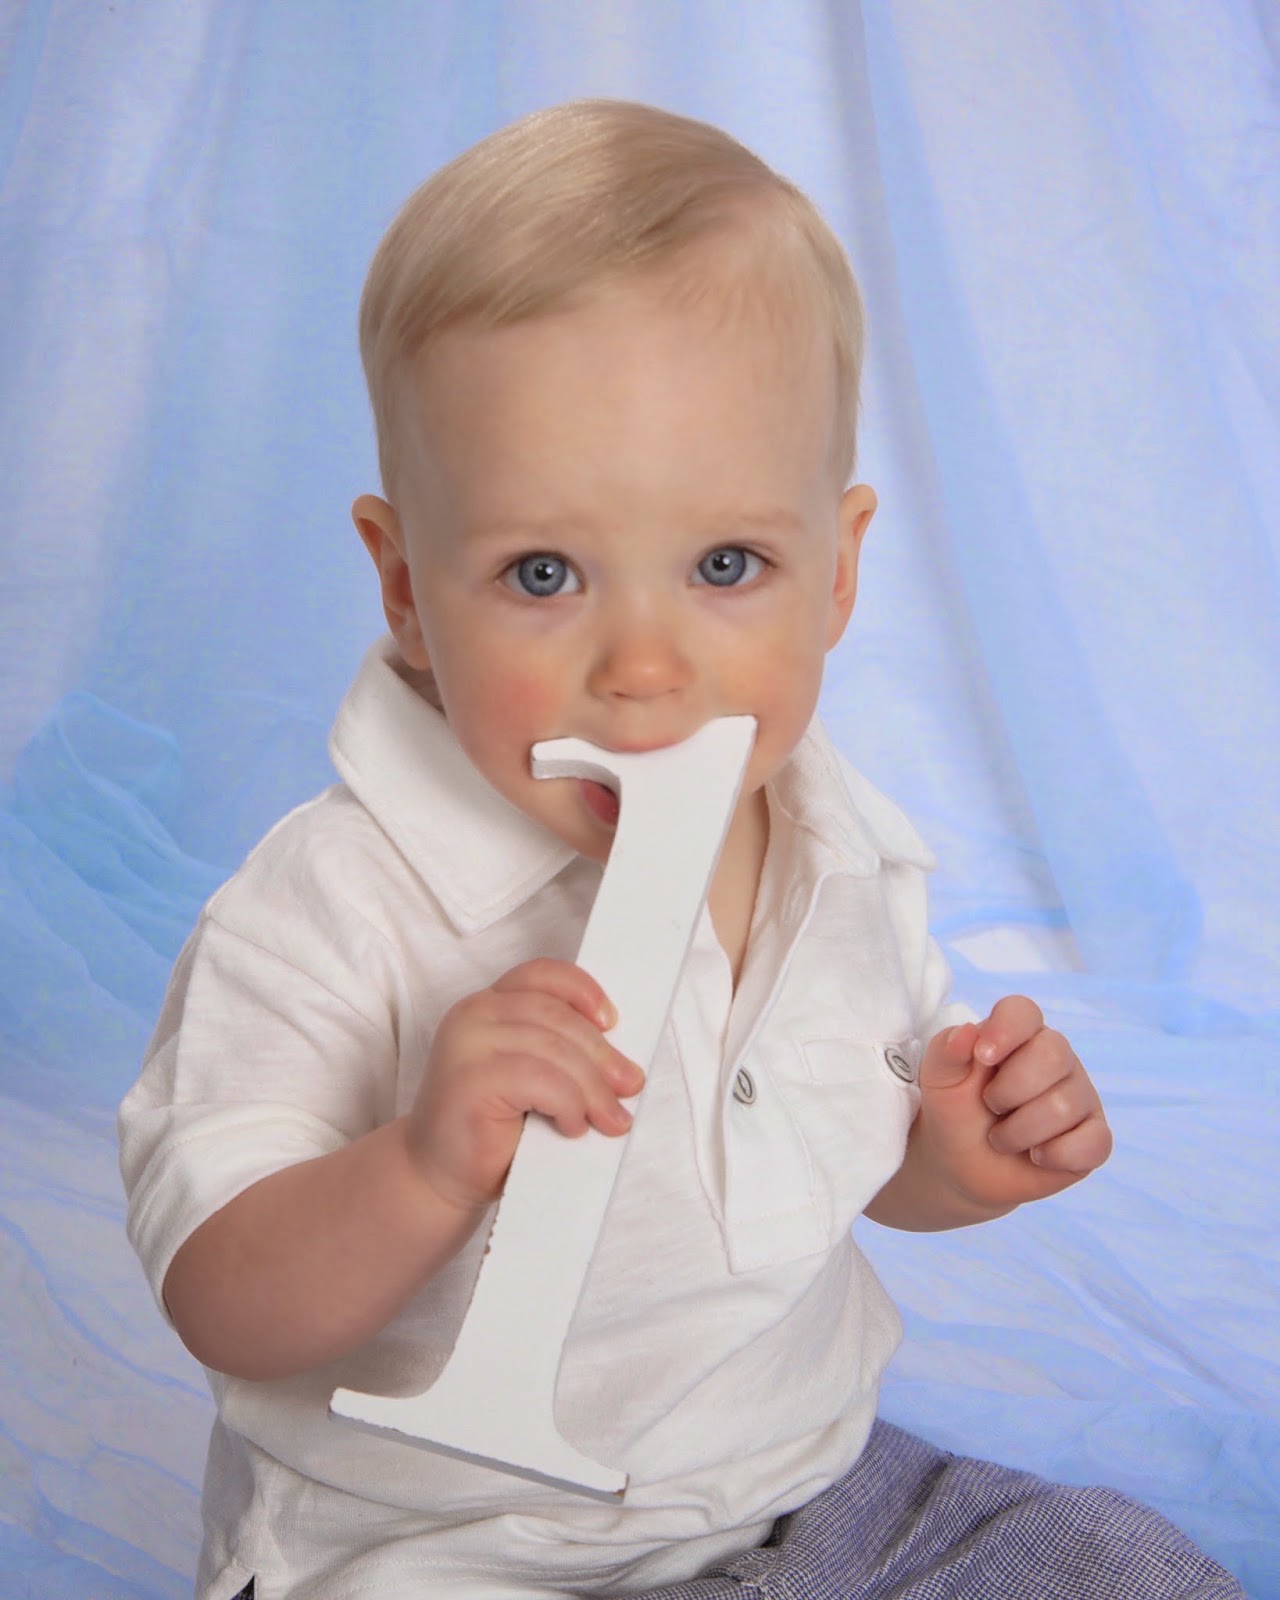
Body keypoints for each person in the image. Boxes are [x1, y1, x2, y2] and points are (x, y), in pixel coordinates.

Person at [118, 100, 1243, 1600]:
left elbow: (840, 1172)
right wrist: (420, 1166)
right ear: (404, 588)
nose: (644, 669)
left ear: (836, 573)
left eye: (726, 565)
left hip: (805, 1489)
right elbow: (224, 1300)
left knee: (1128, 1566)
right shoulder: (335, 906)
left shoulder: (841, 850)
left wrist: (957, 1159)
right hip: (456, 1556)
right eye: (542, 573)